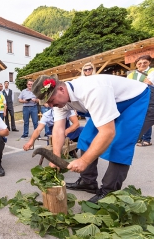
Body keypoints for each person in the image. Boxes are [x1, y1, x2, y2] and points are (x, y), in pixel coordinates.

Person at [32, 74, 154, 203]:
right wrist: (56, 157)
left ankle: (109, 192)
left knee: (119, 145)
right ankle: (87, 182)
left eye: (51, 100)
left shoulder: (92, 91)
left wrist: (84, 161)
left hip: (140, 101)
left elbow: (108, 133)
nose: (50, 105)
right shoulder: (60, 101)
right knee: (86, 138)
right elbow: (58, 128)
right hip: (112, 102)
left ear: (61, 89)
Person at [127, 55, 154, 147]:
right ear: (136, 65)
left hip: (149, 97)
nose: (142, 64)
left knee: (147, 117)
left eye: (145, 62)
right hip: (137, 98)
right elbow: (128, 86)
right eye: (139, 63)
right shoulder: (131, 74)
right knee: (139, 118)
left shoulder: (152, 71)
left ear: (149, 63)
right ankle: (140, 138)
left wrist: (138, 85)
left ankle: (147, 139)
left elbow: (150, 82)